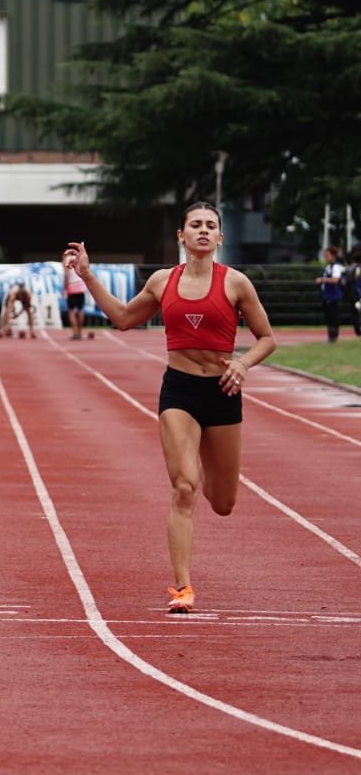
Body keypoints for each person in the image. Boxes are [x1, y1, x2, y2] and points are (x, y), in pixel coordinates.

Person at [63, 201, 275, 615]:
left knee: (223, 502)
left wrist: (242, 363)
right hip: (179, 391)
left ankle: (212, 471)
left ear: (219, 238)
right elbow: (123, 318)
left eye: (210, 226)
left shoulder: (236, 284)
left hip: (223, 391)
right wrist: (87, 274)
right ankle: (182, 588)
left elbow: (267, 337)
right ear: (181, 236)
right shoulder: (164, 281)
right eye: (194, 224)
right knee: (183, 488)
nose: (202, 230)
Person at [317, 245, 345, 344]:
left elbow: (335, 280)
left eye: (327, 255)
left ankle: (333, 337)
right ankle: (330, 336)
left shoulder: (336, 266)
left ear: (333, 255)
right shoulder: (328, 267)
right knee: (329, 317)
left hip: (333, 296)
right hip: (327, 296)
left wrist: (322, 280)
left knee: (334, 317)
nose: (325, 257)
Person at [64, 260, 89, 340]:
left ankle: (75, 333)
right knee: (80, 309)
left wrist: (65, 288)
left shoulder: (67, 261)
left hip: (72, 288)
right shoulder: (79, 260)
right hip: (80, 287)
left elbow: (67, 275)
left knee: (71, 310)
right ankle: (80, 332)